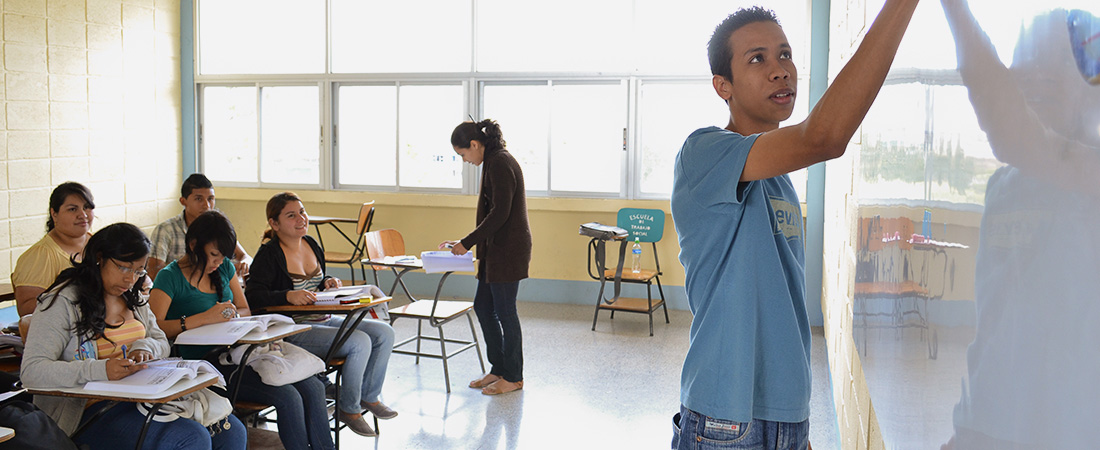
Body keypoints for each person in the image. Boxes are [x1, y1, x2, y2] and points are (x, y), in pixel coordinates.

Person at [669, 2, 918, 449]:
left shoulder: (778, 177)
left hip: (788, 416)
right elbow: (824, 136)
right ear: (722, 86)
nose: (780, 70)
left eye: (785, 54)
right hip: (725, 419)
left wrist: (796, 430)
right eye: (757, 59)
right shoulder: (703, 152)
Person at [938, 3, 1100, 449]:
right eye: (1026, 60)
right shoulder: (1002, 186)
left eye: (1060, 63)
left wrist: (954, 8)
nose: (1036, 75)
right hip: (985, 428)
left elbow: (1010, 127)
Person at [19, 223, 247, 450]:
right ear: (100, 257)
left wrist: (144, 347)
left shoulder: (131, 296)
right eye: (124, 268)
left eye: (138, 271)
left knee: (232, 431)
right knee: (190, 438)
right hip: (89, 411)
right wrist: (102, 369)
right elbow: (32, 371)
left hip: (144, 399)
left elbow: (159, 340)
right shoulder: (62, 302)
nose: (130, 279)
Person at [148, 211, 335, 450]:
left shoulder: (224, 268)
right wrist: (203, 319)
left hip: (241, 354)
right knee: (288, 397)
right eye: (214, 255)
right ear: (193, 245)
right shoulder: (169, 277)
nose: (218, 262)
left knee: (313, 386)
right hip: (206, 367)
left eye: (223, 256)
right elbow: (157, 329)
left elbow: (245, 309)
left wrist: (231, 317)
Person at [245, 192, 396, 438]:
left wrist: (328, 282)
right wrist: (286, 295)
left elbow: (317, 281)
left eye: (302, 212)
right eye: (291, 215)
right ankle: (349, 409)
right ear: (274, 224)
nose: (301, 219)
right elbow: (253, 296)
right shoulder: (269, 254)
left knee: (384, 333)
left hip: (322, 319)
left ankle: (368, 396)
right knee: (359, 342)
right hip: (293, 330)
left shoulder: (311, 243)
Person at [442, 119, 531, 396]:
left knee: (505, 312)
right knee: (483, 306)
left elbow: (501, 213)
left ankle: (514, 376)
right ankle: (499, 367)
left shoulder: (501, 162)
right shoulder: (492, 161)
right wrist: (467, 243)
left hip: (508, 251)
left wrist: (467, 243)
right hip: (495, 250)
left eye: (463, 154)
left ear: (475, 144)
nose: (465, 160)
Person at [12, 182, 95, 316]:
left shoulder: (102, 245)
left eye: (87, 208)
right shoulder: (40, 256)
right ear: (54, 213)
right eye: (73, 209)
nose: (83, 215)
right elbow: (26, 310)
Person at [148, 173, 252, 281]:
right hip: (180, 291)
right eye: (199, 199)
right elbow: (154, 272)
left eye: (210, 199)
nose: (206, 205)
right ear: (183, 201)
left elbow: (245, 257)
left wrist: (244, 263)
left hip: (215, 288)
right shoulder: (166, 230)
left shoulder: (218, 226)